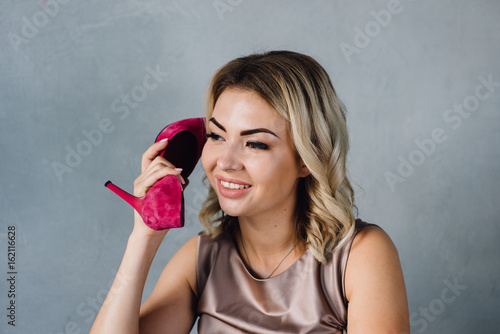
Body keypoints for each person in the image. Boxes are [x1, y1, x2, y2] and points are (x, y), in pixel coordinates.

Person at [90, 51, 410, 333]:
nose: (225, 163)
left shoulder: (362, 254)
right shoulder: (201, 258)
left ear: (308, 158)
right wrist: (144, 236)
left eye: (255, 143)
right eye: (216, 136)